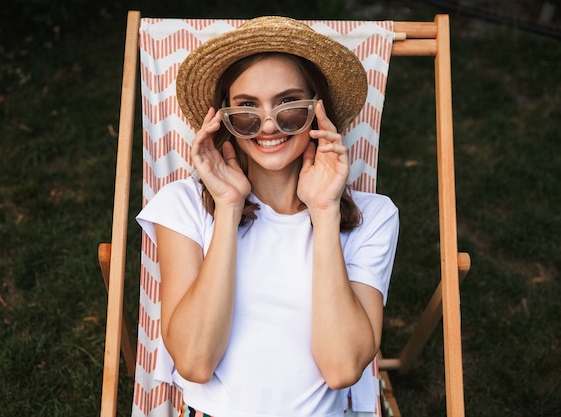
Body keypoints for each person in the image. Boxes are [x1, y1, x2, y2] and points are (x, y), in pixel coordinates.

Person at [136, 16, 399, 417]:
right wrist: (227, 207)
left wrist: (325, 213)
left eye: (289, 105)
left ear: (318, 110)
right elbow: (194, 362)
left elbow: (342, 368)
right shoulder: (184, 204)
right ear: (224, 120)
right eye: (246, 110)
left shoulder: (374, 216)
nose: (270, 125)